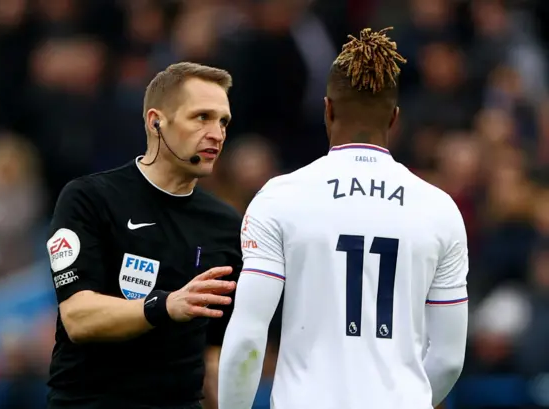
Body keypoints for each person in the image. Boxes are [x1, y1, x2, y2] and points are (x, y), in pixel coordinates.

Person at [217, 28, 468, 409]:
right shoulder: (439, 209)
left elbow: (249, 336)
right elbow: (449, 358)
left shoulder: (280, 198)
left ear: (327, 109)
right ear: (395, 119)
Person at [46, 62, 242, 409]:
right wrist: (164, 305)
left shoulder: (226, 224)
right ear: (156, 121)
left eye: (223, 121)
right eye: (202, 117)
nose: (217, 133)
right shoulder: (90, 198)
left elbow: (213, 351)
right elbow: (77, 316)